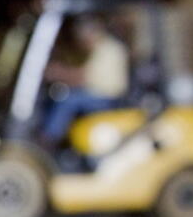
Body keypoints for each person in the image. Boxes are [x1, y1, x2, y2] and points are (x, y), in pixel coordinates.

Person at [40, 16, 130, 144]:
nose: (84, 44)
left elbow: (83, 77)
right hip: (100, 93)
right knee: (70, 95)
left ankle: (48, 138)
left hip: (107, 98)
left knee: (67, 99)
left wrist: (58, 73)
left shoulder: (108, 49)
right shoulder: (102, 48)